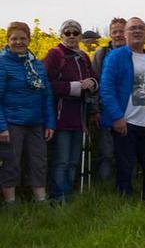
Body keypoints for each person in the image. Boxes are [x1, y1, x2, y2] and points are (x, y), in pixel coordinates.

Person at [100, 17, 145, 202]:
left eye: (141, 28)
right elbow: (107, 89)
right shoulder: (116, 56)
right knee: (125, 165)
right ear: (125, 34)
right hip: (126, 122)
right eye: (132, 28)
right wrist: (117, 116)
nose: (137, 31)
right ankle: (125, 201)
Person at [0, 22, 55, 205]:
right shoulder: (2, 63)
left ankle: (40, 200)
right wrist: (1, 127)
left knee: (39, 162)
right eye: (14, 38)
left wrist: (49, 123)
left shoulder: (36, 64)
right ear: (8, 41)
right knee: (11, 163)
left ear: (29, 40)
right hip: (12, 122)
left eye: (23, 38)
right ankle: (10, 202)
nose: (18, 42)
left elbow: (46, 95)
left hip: (36, 122)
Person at [44, 19, 98, 203]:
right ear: (61, 35)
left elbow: (93, 78)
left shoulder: (83, 56)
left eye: (76, 33)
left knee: (74, 159)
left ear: (80, 36)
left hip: (80, 116)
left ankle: (68, 194)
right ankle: (58, 196)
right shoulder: (54, 55)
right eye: (68, 32)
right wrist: (73, 87)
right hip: (61, 115)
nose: (72, 36)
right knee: (62, 160)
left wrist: (92, 84)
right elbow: (46, 85)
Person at [92, 17, 127, 181]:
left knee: (128, 153)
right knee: (106, 152)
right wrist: (96, 109)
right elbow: (96, 83)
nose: (118, 35)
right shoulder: (102, 54)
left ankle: (125, 185)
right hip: (107, 111)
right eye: (115, 32)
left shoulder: (134, 53)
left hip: (131, 111)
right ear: (110, 34)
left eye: (122, 31)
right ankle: (104, 188)